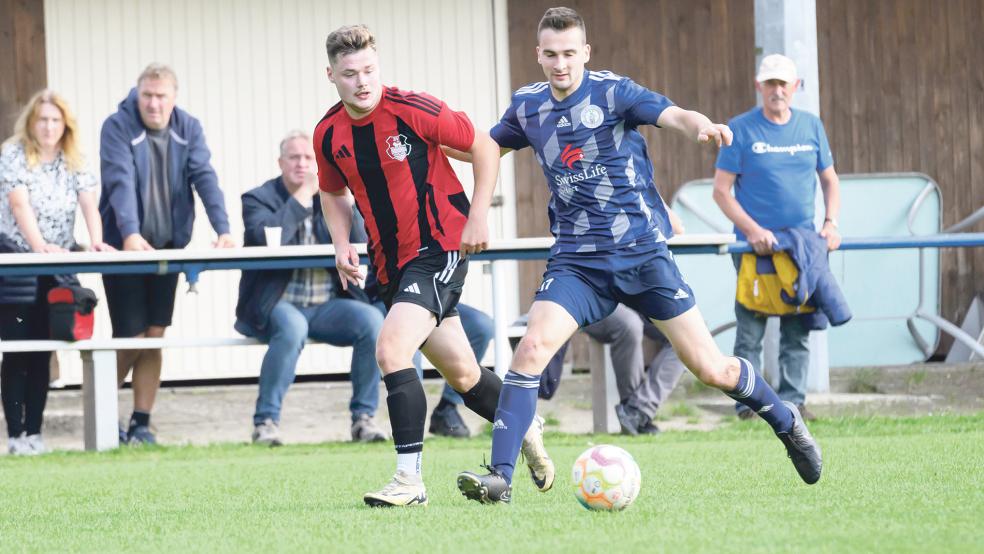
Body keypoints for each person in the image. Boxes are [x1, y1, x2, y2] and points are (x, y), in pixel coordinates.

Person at [452, 7, 822, 504]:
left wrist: (700, 127)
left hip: (643, 255)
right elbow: (483, 148)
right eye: (550, 55)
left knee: (712, 369)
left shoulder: (613, 91)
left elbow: (672, 115)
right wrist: (429, 141)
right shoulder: (527, 106)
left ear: (585, 53)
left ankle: (786, 421)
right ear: (537, 55)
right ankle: (500, 478)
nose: (560, 64)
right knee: (531, 350)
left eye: (569, 54)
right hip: (577, 263)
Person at [313, 25, 552, 507]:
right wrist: (342, 244)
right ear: (331, 76)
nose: (362, 82)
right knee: (464, 376)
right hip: (390, 264)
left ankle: (409, 481)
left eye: (369, 70)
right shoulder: (329, 132)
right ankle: (523, 422)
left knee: (391, 350)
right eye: (350, 74)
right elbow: (332, 191)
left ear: (378, 65)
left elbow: (483, 145)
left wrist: (478, 215)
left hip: (439, 248)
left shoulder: (412, 108)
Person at [100, 63, 235, 445]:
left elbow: (204, 176)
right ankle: (102, 414)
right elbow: (119, 179)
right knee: (131, 336)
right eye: (147, 95)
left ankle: (141, 422)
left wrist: (223, 229)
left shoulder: (187, 127)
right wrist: (128, 234)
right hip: (125, 249)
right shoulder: (117, 126)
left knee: (155, 334)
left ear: (174, 98)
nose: (154, 104)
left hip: (167, 248)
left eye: (161, 96)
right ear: (137, 93)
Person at [234, 130, 388, 447]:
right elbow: (263, 237)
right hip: (277, 304)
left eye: (308, 158)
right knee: (293, 327)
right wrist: (303, 196)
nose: (302, 164)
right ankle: (266, 423)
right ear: (280, 162)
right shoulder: (256, 198)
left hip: (326, 305)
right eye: (294, 157)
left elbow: (360, 241)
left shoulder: (330, 197)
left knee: (373, 322)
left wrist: (344, 199)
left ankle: (363, 419)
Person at [712, 54, 842, 422]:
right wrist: (752, 231)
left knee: (797, 328)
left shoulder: (811, 126)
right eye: (770, 83)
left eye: (784, 83)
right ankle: (748, 406)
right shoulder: (740, 129)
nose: (777, 90)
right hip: (753, 248)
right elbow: (721, 192)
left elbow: (830, 179)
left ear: (795, 86)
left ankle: (793, 403)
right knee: (750, 328)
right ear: (759, 86)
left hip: (801, 247)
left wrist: (831, 222)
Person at [0, 90, 112, 455]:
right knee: (18, 350)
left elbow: (89, 205)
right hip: (17, 259)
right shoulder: (13, 154)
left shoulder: (74, 160)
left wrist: (96, 241)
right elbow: (19, 205)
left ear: (65, 125)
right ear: (32, 123)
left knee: (45, 351)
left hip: (56, 263)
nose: (49, 127)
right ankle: (16, 436)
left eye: (55, 120)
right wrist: (38, 247)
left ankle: (36, 433)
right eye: (42, 119)